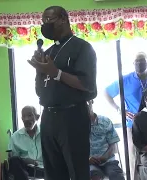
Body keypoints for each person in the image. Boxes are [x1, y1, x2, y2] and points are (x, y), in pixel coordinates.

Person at [28, 6, 97, 180]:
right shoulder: (49, 52)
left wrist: (56, 72)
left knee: (76, 170)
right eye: (43, 21)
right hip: (49, 117)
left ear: (64, 19)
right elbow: (39, 92)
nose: (45, 24)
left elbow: (87, 85)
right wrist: (39, 70)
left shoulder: (82, 48)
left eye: (49, 19)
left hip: (72, 116)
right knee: (52, 171)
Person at [104, 52, 147, 180]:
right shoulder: (125, 80)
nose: (139, 64)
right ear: (133, 63)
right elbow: (106, 93)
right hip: (132, 125)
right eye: (136, 61)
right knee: (133, 157)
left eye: (142, 61)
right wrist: (119, 110)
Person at [87, 100, 125, 180]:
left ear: (92, 101)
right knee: (94, 175)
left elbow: (113, 145)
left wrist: (104, 157)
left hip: (108, 160)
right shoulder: (75, 126)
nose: (85, 105)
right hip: (89, 163)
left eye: (87, 102)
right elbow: (73, 149)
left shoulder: (105, 121)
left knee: (117, 176)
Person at [8, 106, 44, 180]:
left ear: (37, 117)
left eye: (30, 115)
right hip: (26, 170)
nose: (26, 119)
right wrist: (26, 161)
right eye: (24, 116)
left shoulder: (46, 133)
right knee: (13, 160)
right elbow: (14, 159)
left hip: (45, 168)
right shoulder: (15, 136)